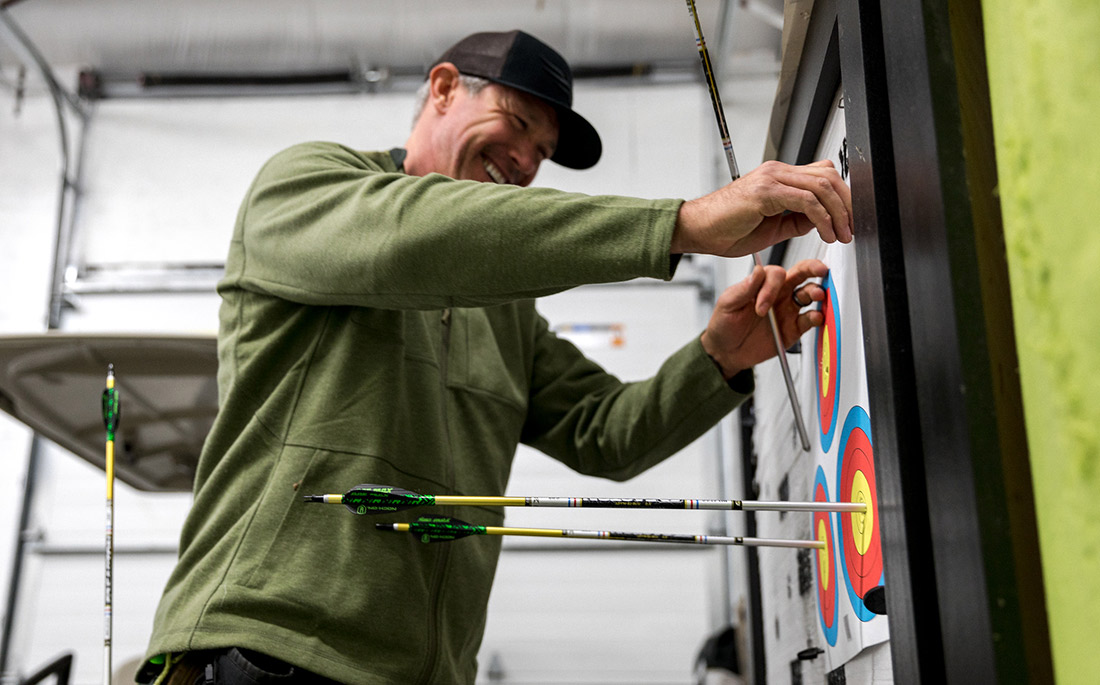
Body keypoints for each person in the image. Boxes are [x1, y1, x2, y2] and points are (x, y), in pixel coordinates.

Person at [139, 29, 850, 685]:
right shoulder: (304, 186)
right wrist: (681, 224)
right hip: (269, 654)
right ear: (445, 88)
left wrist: (719, 357)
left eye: (542, 152)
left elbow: (604, 432)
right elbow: (414, 241)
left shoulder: (505, 313)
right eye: (518, 124)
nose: (527, 161)